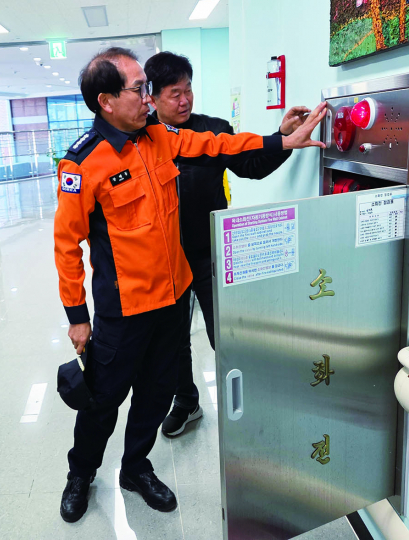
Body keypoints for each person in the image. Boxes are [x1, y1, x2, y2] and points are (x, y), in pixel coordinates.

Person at [53, 46, 326, 523]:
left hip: (174, 296)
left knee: (157, 392)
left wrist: (280, 141)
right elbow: (65, 244)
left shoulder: (160, 137)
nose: (148, 98)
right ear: (106, 101)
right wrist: (77, 317)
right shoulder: (82, 164)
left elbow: (217, 145)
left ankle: (135, 467)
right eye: (139, 89)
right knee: (104, 397)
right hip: (124, 307)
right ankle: (81, 473)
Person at [144, 51, 314, 437]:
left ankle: (247, 404)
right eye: (174, 93)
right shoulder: (143, 139)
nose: (185, 100)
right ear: (152, 98)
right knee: (172, 340)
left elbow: (251, 166)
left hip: (210, 253)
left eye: (188, 90)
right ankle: (186, 402)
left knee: (225, 334)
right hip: (164, 258)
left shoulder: (213, 130)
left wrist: (283, 138)